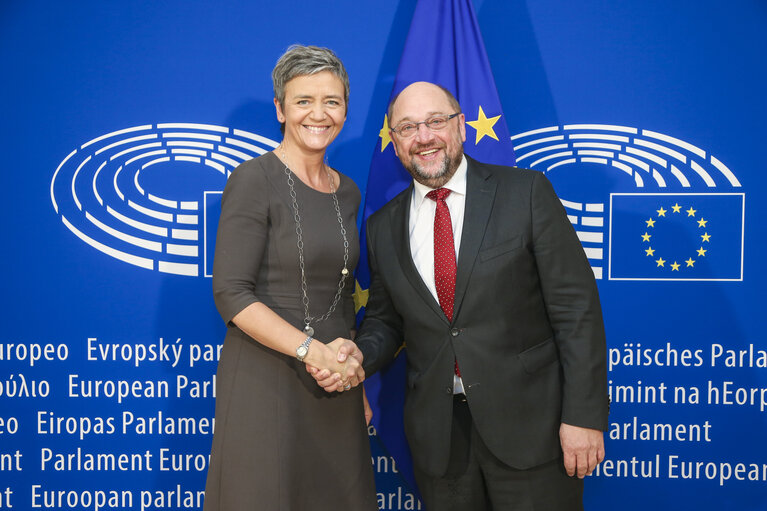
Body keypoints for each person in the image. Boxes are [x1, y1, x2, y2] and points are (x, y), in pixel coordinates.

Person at [311, 81, 609, 510]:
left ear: (461, 127)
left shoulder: (524, 193)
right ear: (394, 144)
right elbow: (385, 321)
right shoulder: (382, 228)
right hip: (441, 442)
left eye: (436, 121)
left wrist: (583, 416)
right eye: (408, 128)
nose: (424, 137)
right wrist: (355, 357)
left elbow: (575, 309)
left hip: (532, 430)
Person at [203, 45, 376, 511]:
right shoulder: (252, 179)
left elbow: (342, 294)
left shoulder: (349, 191)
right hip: (267, 381)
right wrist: (309, 349)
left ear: (345, 107)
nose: (318, 114)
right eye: (303, 101)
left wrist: (349, 372)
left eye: (332, 101)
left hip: (332, 381)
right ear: (280, 108)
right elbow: (231, 293)